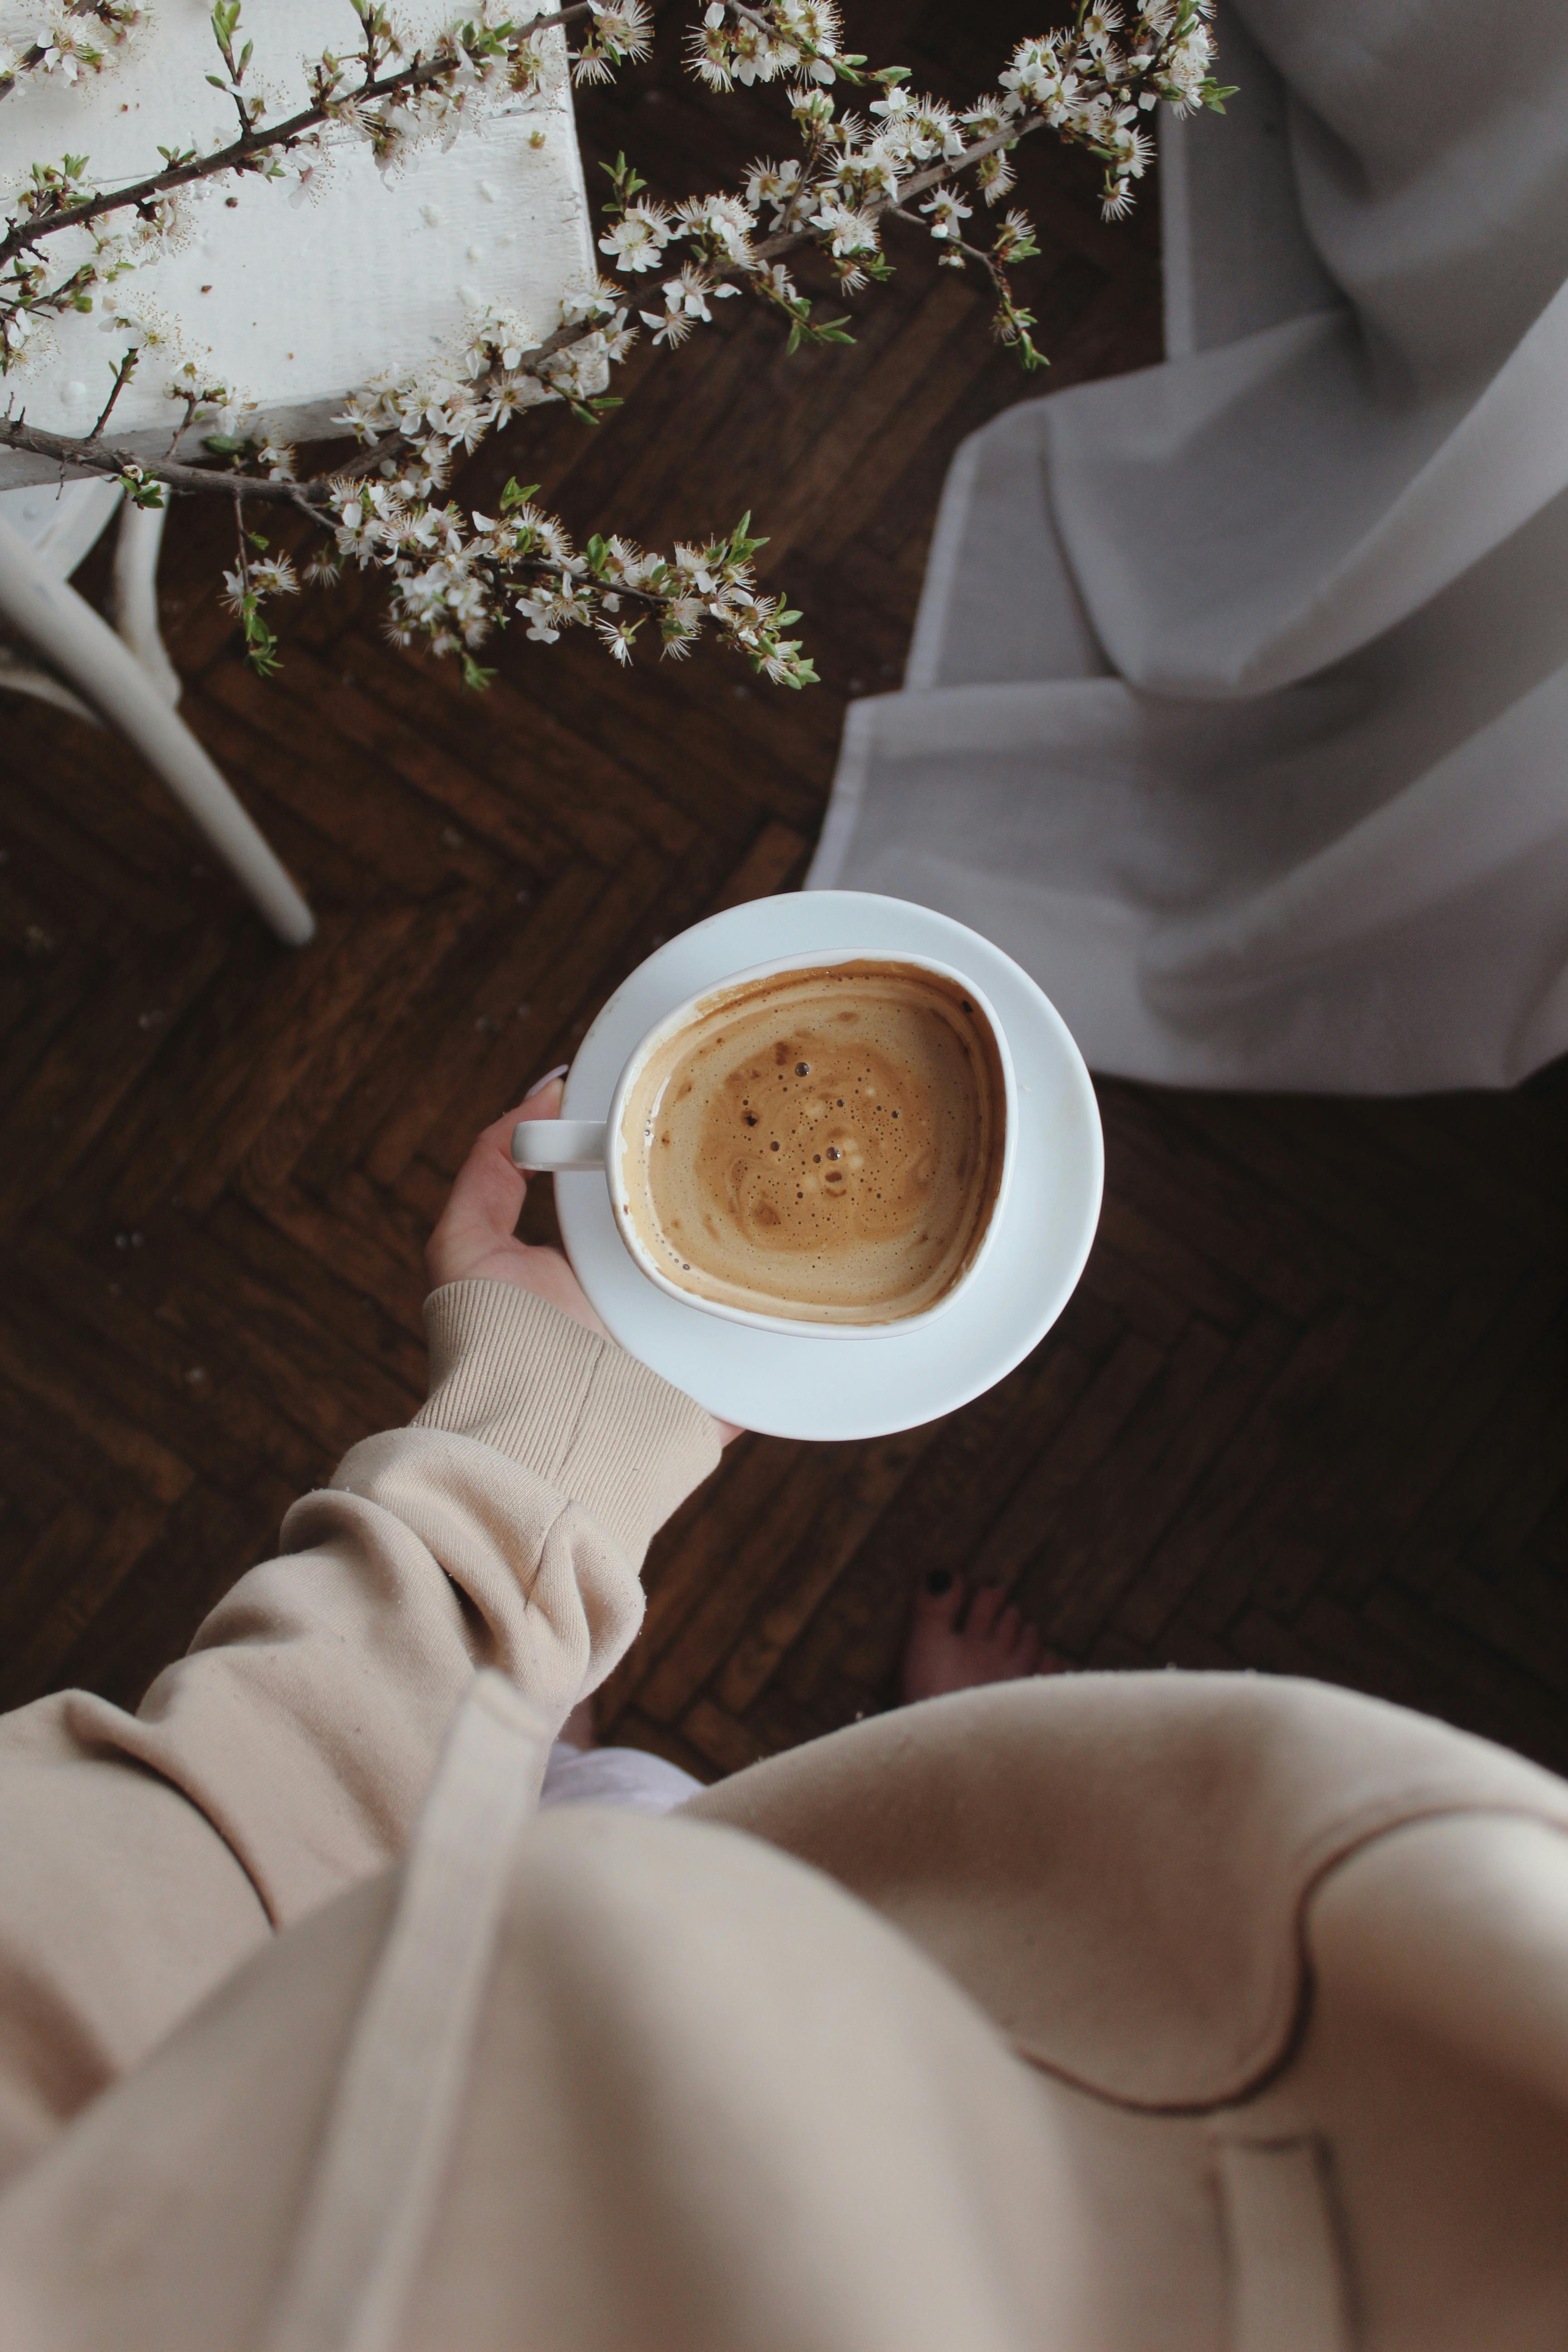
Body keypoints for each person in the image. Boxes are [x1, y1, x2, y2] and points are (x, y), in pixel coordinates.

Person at [0, 1080, 1565, 2350]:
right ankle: (707, 1738)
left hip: (475, 2021)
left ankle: (543, 1700)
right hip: (897, 2069)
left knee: (563, 1829)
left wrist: (543, 1459)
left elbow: (148, 1908)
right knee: (716, 1861)